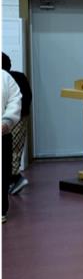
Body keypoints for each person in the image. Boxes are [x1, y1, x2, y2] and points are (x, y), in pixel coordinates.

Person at [2, 53, 32, 195]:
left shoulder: (10, 79)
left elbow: (21, 99)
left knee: (12, 150)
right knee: (14, 150)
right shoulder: (19, 77)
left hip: (15, 118)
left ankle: (14, 179)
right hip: (19, 117)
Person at [2, 69, 22, 223]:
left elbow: (15, 99)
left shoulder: (4, 77)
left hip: (2, 134)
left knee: (3, 173)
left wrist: (7, 121)